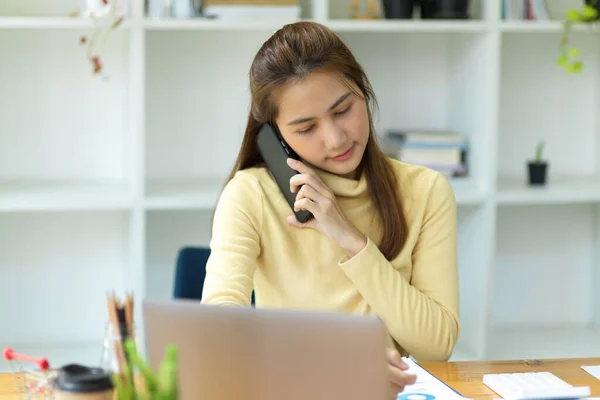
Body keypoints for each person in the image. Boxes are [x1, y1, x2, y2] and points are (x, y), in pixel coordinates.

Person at [200, 21, 459, 396]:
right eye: (306, 128)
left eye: (343, 110)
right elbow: (220, 330)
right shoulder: (251, 194)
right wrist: (332, 357)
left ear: (363, 91)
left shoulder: (425, 191)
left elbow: (437, 345)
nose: (336, 138)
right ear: (275, 135)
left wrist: (352, 241)